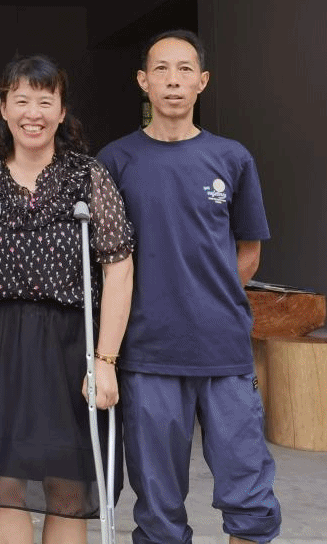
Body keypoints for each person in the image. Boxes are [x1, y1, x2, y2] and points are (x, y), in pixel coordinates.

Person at [97, 30, 282, 544]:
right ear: (143, 81)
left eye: (184, 69)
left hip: (223, 349)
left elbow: (249, 251)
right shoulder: (115, 161)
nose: (173, 81)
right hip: (148, 352)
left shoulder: (232, 158)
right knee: (158, 506)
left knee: (249, 492)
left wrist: (209, 298)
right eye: (161, 69)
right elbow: (104, 260)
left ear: (202, 81)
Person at [0, 55, 134, 544]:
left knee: (68, 484)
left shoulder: (88, 176)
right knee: (0, 479)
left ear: (62, 111)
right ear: (4, 109)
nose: (33, 113)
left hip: (71, 344)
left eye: (45, 102)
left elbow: (118, 265)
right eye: (22, 100)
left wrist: (105, 359)